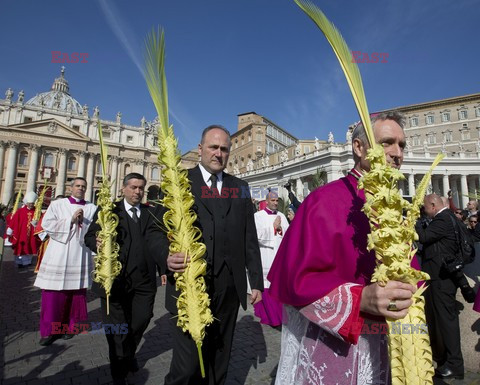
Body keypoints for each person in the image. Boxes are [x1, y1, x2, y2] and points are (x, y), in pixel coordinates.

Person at [268, 111, 418, 384]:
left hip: (395, 352)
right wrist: (361, 299)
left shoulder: (398, 210)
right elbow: (296, 282)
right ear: (359, 147)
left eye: (402, 144)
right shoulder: (322, 202)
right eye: (387, 142)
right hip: (338, 352)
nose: (397, 153)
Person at [163, 125, 263, 385]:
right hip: (191, 287)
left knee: (220, 356)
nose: (218, 153)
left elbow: (249, 238)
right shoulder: (180, 180)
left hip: (229, 287)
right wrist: (166, 255)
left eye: (224, 149)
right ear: (200, 149)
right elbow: (156, 230)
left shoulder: (239, 187)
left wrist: (257, 282)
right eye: (213, 147)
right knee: (186, 367)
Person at [85, 173, 168, 385]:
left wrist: (163, 268)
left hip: (145, 281)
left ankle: (128, 353)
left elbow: (158, 242)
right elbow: (89, 237)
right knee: (117, 328)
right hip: (114, 281)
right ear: (123, 189)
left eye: (141, 188)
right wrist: (98, 243)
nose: (137, 192)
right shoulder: (108, 210)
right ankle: (118, 371)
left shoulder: (153, 212)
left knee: (142, 319)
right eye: (133, 187)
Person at [33, 177, 97, 346]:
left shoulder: (92, 208)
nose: (80, 189)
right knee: (54, 295)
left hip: (80, 254)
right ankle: (49, 331)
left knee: (75, 294)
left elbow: (96, 230)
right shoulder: (57, 205)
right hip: (59, 254)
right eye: (77, 186)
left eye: (83, 186)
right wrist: (70, 221)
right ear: (71, 188)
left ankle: (71, 327)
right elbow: (46, 224)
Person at [416, 193, 472, 379]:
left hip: (442, 279)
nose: (424, 211)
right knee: (440, 322)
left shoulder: (443, 219)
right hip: (439, 277)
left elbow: (422, 237)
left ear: (433, 205)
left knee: (447, 323)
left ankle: (455, 365)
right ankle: (445, 361)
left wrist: (416, 221)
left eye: (424, 208)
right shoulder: (446, 217)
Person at [253, 191, 289, 327]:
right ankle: (270, 317)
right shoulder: (258, 216)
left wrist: (280, 229)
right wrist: (273, 228)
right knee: (267, 286)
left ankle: (280, 317)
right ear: (266, 201)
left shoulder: (282, 216)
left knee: (278, 286)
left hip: (279, 256)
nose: (275, 203)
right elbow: (257, 235)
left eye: (276, 201)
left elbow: (288, 234)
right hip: (266, 256)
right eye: (272, 200)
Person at [6, 191, 39, 267]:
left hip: (31, 233)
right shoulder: (20, 211)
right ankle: (19, 262)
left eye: (32, 204)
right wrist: (10, 230)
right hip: (21, 233)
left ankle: (27, 262)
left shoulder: (36, 211)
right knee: (20, 247)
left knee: (30, 246)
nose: (31, 205)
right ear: (26, 203)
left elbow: (41, 220)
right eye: (29, 203)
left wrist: (37, 223)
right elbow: (14, 221)